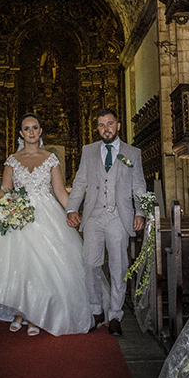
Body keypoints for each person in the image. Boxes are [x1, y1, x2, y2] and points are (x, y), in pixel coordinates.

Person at [0, 113, 93, 336]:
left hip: (47, 215)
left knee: (43, 267)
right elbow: (4, 192)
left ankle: (37, 315)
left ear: (40, 131)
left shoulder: (51, 159)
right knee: (20, 266)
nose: (31, 132)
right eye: (27, 129)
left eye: (35, 128)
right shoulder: (12, 160)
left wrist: (74, 211)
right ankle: (20, 313)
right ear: (21, 133)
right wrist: (10, 209)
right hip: (19, 215)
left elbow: (60, 192)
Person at [66, 107, 146, 337]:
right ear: (97, 128)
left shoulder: (133, 153)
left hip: (118, 217)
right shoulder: (88, 151)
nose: (106, 128)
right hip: (93, 215)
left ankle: (115, 315)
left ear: (118, 126)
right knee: (90, 264)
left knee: (118, 267)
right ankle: (96, 309)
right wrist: (72, 208)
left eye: (109, 124)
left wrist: (140, 211)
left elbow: (138, 185)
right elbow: (80, 181)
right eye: (101, 125)